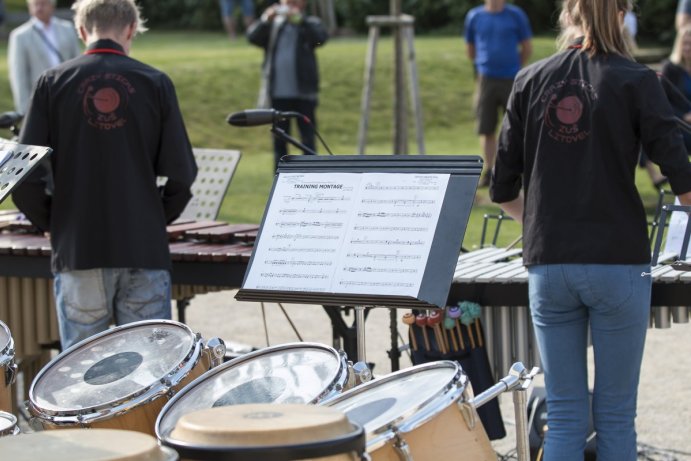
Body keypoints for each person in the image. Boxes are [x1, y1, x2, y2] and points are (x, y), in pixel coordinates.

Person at [489, 0, 691, 459]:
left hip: (549, 263)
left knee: (562, 415)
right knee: (617, 416)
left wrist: (541, 225)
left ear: (568, 15)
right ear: (623, 15)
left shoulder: (529, 79)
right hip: (619, 262)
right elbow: (683, 180)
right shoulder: (638, 80)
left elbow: (501, 189)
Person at [12, 0, 197, 350]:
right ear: (131, 29)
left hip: (79, 249)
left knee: (82, 383)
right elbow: (181, 177)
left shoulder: (52, 82)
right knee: (150, 376)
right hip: (142, 249)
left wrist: (54, 222)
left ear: (81, 31)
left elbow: (24, 176)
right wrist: (155, 218)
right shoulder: (156, 82)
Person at [247, 0, 328, 171]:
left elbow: (320, 39)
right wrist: (265, 20)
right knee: (279, 141)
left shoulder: (310, 23)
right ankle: (280, 180)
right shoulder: (274, 26)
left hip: (304, 93)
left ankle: (313, 177)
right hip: (278, 94)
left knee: (308, 140)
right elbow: (252, 38)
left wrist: (299, 20)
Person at [463, 0, 532, 187]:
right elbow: (470, 49)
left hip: (512, 78)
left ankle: (519, 172)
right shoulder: (475, 16)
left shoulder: (515, 15)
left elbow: (527, 47)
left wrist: (515, 69)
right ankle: (490, 170)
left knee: (517, 127)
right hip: (486, 79)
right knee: (486, 128)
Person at [8, 0, 81, 115]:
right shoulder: (20, 36)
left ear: (52, 6)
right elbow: (19, 75)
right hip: (40, 99)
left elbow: (77, 62)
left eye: (43, 4)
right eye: (35, 4)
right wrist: (25, 110)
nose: (39, 8)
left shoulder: (67, 28)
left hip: (67, 94)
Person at [661, 24, 691, 153]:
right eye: (685, 43)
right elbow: (660, 101)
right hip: (678, 125)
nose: (688, 48)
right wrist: (684, 116)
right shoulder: (670, 69)